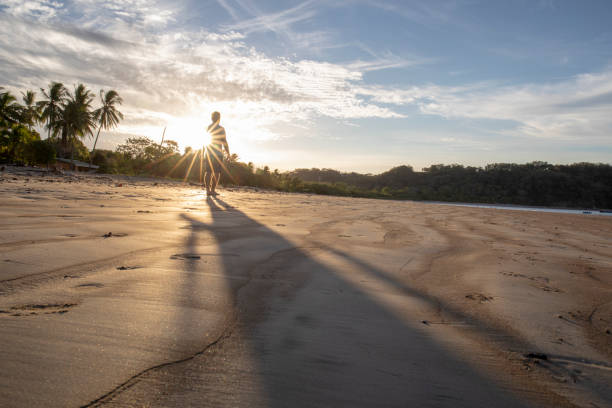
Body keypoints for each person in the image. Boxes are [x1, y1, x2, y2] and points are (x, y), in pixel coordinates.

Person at [204, 111, 230, 196]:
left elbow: (204, 141)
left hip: (210, 152)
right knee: (215, 172)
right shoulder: (221, 129)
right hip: (216, 153)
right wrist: (228, 153)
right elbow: (224, 141)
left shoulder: (208, 127)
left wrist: (203, 152)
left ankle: (209, 190)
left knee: (210, 171)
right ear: (218, 118)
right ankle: (211, 190)